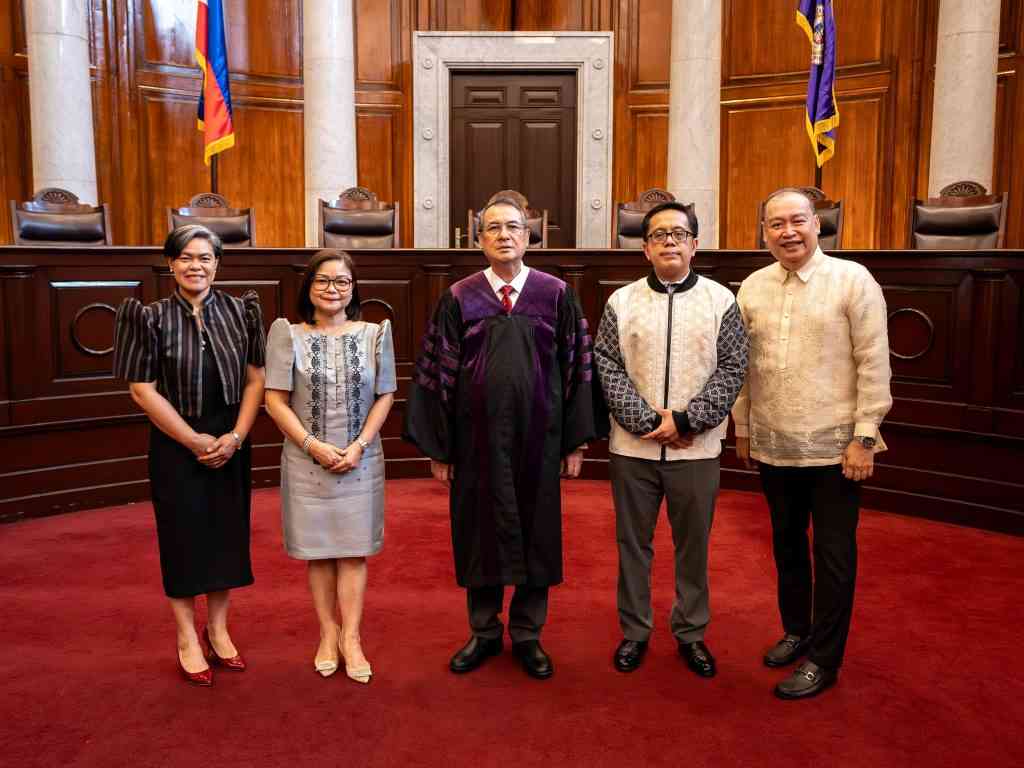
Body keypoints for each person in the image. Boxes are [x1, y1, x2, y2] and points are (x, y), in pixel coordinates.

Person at [403, 196, 597, 680]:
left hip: (541, 439)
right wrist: (442, 448)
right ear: (479, 239)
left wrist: (574, 442)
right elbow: (438, 373)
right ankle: (484, 632)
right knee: (478, 534)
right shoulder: (459, 297)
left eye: (514, 227)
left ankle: (529, 635)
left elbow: (578, 367)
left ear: (530, 236)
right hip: (476, 443)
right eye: (493, 228)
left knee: (537, 533)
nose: (504, 235)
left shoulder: (556, 294)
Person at [732, 187, 892, 699]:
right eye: (776, 224)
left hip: (836, 448)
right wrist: (743, 426)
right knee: (786, 547)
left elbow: (874, 362)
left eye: (797, 220)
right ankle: (797, 631)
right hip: (774, 444)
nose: (788, 232)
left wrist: (865, 435)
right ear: (764, 233)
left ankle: (825, 658)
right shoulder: (752, 287)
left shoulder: (853, 280)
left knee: (833, 555)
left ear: (817, 224)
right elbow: (742, 368)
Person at [594, 201, 748, 677]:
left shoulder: (721, 300)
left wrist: (686, 420)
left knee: (693, 545)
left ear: (695, 245)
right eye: (659, 235)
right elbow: (606, 364)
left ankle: (691, 633)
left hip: (696, 449)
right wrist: (645, 421)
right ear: (645, 249)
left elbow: (732, 367)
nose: (669, 242)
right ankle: (635, 631)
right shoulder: (621, 300)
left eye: (678, 234)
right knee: (632, 545)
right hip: (633, 449)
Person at [113, 224, 266, 686]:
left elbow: (256, 379)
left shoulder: (243, 312)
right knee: (182, 541)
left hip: (230, 441)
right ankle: (186, 637)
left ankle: (218, 629)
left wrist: (236, 436)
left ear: (218, 264)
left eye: (205, 258)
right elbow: (142, 390)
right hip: (176, 443)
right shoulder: (149, 317)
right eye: (186, 257)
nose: (195, 266)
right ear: (171, 264)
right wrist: (193, 440)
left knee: (225, 537)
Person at [263, 249, 396, 684]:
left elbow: (385, 396)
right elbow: (274, 400)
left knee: (354, 549)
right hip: (306, 460)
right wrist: (311, 444)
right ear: (309, 287)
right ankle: (327, 632)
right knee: (318, 552)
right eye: (323, 281)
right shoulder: (287, 334)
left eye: (342, 282)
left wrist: (358, 445)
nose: (332, 289)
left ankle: (352, 637)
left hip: (361, 459)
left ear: (353, 289)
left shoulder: (376, 334)